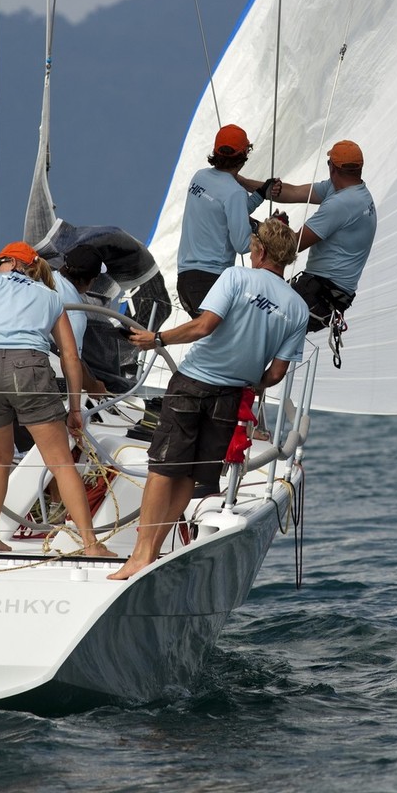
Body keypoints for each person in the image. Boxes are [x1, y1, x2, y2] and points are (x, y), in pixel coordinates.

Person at [108, 216, 309, 580]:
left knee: (163, 469)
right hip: (231, 397)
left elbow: (203, 326)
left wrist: (158, 339)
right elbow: (277, 374)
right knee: (191, 477)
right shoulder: (297, 308)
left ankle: (139, 556)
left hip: (193, 384)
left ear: (260, 249)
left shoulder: (235, 277)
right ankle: (152, 552)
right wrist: (249, 379)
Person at [0, 241, 116, 557]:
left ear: (10, 263)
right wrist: (75, 409)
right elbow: (70, 358)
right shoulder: (51, 298)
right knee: (61, 462)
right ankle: (91, 545)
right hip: (28, 367)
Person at [239, 140, 377, 331]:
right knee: (262, 325)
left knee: (254, 319)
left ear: (332, 167)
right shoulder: (348, 190)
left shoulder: (342, 204)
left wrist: (252, 223)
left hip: (320, 295)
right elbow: (293, 192)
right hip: (324, 292)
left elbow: (290, 246)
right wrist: (244, 182)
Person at [176, 123, 270, 318]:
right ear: (244, 156)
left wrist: (260, 195)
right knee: (234, 343)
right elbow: (242, 244)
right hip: (209, 280)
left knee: (215, 343)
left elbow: (222, 211)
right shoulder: (234, 192)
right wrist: (268, 231)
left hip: (185, 281)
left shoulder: (199, 177)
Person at [53, 243, 108, 396]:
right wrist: (94, 387)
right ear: (91, 280)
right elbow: (71, 361)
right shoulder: (75, 312)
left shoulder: (43, 277)